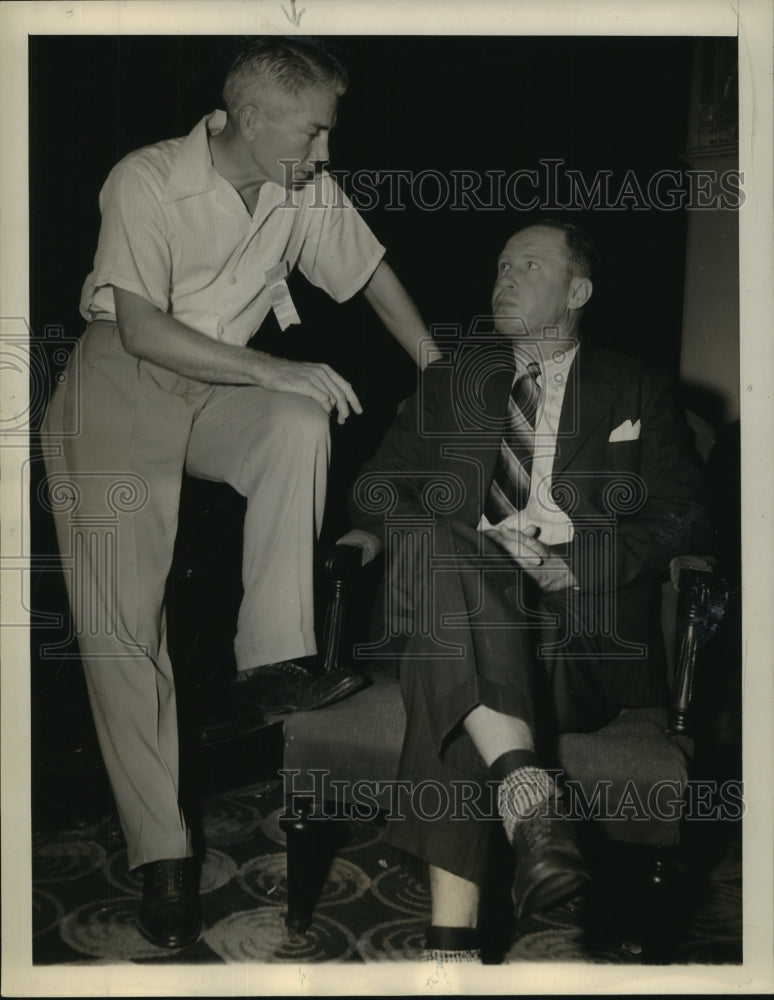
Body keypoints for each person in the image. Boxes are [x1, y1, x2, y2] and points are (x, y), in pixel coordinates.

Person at [42, 37, 439, 949]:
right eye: (317, 131)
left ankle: (275, 659)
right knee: (122, 625)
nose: (327, 151)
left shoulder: (302, 186)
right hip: (122, 377)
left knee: (302, 420)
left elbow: (372, 275)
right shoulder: (144, 179)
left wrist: (443, 372)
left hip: (219, 388)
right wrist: (275, 366)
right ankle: (163, 855)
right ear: (253, 117)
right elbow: (141, 330)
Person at [342, 219, 709, 963]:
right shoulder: (451, 384)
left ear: (578, 291)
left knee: (455, 667)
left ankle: (455, 935)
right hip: (453, 606)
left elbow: (687, 513)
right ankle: (525, 800)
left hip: (574, 638)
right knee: (449, 569)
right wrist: (463, 540)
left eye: (529, 266)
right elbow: (374, 492)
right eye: (501, 265)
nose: (504, 278)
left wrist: (581, 561)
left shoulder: (636, 386)